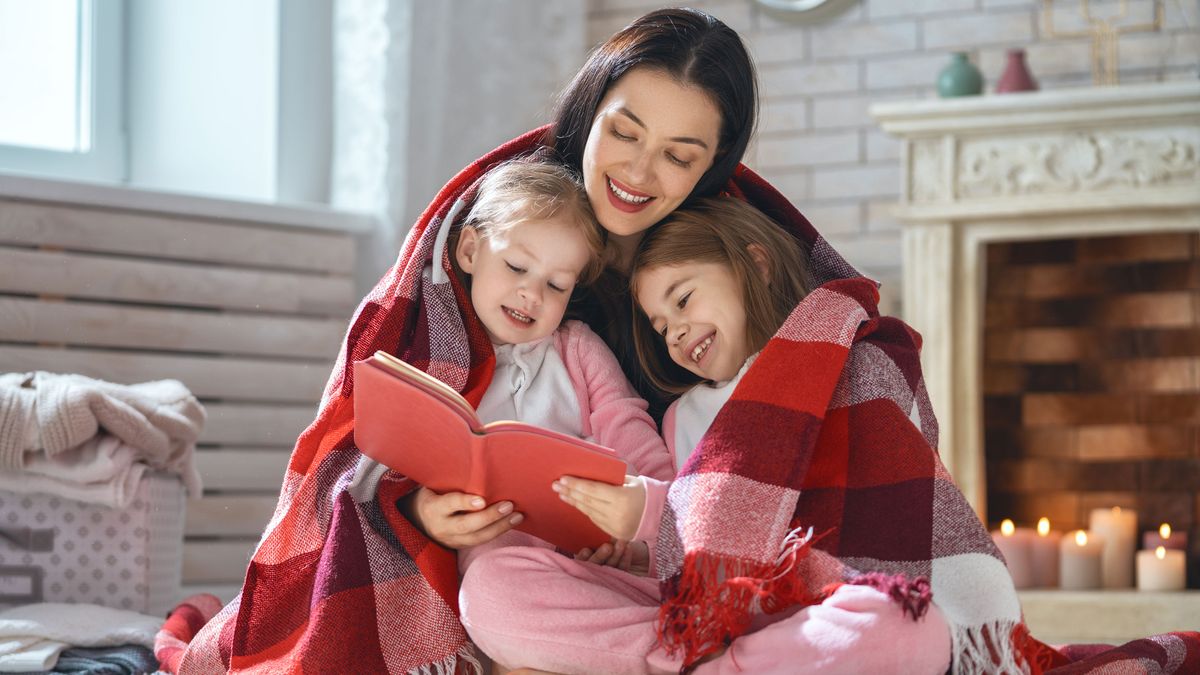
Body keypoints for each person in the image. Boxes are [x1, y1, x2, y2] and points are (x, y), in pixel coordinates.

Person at [174, 8, 1085, 675]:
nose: (643, 173)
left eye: (683, 156)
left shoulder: (722, 248)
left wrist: (667, 516)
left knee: (906, 623)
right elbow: (355, 448)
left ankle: (710, 656)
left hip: (703, 559)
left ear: (716, 171)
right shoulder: (502, 227)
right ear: (591, 112)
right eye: (627, 132)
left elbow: (794, 401)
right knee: (498, 589)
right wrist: (413, 512)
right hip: (556, 569)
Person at [457, 198, 953, 674]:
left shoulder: (842, 367)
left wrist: (649, 515)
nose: (673, 332)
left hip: (807, 596)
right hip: (695, 614)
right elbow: (678, 558)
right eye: (660, 326)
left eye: (684, 300)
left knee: (913, 627)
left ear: (753, 265)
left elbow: (859, 519)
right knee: (489, 592)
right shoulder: (681, 418)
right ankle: (695, 661)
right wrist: (636, 545)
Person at [443, 159, 673, 573]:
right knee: (488, 587)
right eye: (517, 267)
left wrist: (656, 533)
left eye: (556, 285)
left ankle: (655, 631)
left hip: (592, 557)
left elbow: (634, 438)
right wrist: (420, 510)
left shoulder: (577, 349)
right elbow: (393, 471)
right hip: (499, 567)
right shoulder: (440, 353)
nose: (532, 294)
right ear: (470, 251)